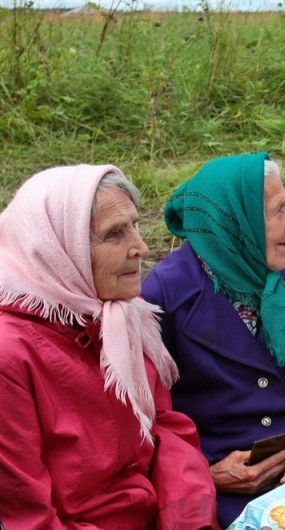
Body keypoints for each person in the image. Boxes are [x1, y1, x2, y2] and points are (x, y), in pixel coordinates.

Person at [0, 165, 218, 528]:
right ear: (56, 249)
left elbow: (166, 432)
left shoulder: (120, 317)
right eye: (115, 234)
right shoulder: (12, 354)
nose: (141, 247)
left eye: (134, 225)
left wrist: (190, 521)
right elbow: (29, 516)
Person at [141, 153, 285, 527]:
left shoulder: (283, 283)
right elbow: (148, 422)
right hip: (217, 479)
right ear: (237, 222)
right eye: (279, 211)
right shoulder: (164, 295)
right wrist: (207, 472)